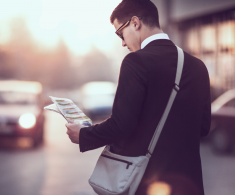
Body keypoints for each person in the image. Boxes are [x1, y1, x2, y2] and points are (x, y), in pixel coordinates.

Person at [65, 0, 211, 194]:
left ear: (135, 23)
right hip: (190, 185)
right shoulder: (198, 66)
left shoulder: (136, 62)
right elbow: (203, 127)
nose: (123, 42)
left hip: (149, 183)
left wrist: (83, 135)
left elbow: (122, 125)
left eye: (120, 33)